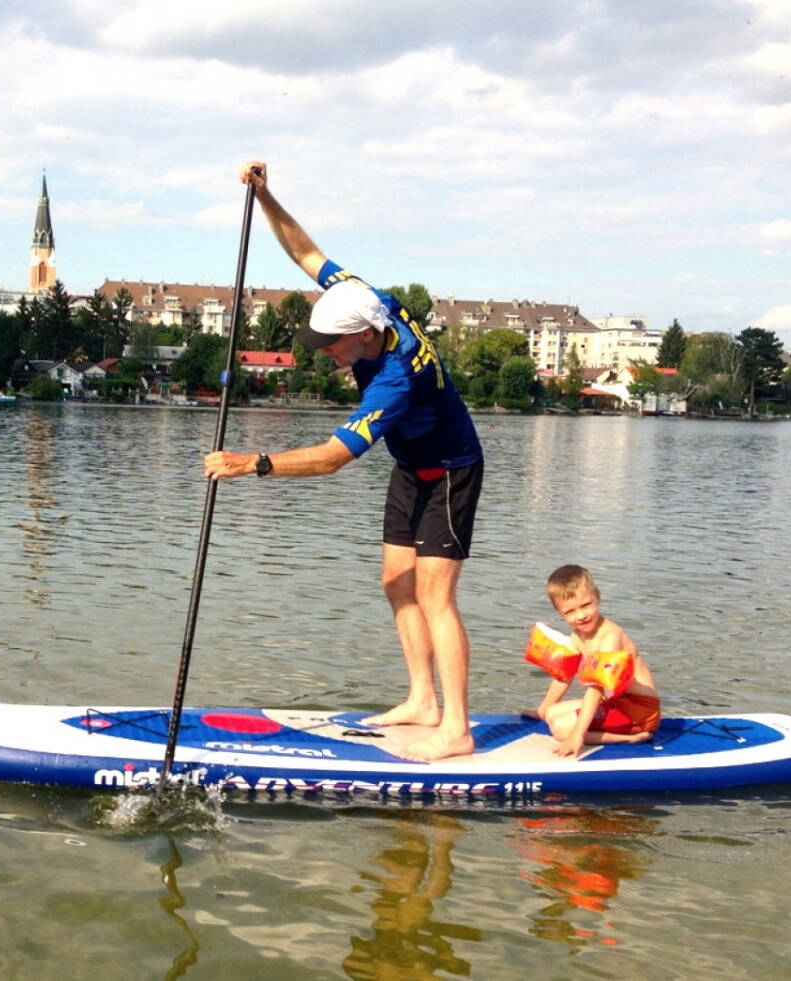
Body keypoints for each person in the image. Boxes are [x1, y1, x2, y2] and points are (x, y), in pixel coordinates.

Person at [202, 161, 484, 762]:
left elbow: (332, 458)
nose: (323, 353)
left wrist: (253, 464)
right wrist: (265, 194)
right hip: (412, 466)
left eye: (331, 346)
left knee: (436, 596)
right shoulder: (363, 299)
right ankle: (421, 702)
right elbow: (305, 251)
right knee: (394, 581)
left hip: (452, 470)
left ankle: (456, 728)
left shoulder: (394, 379)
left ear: (363, 338)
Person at [523, 565, 660, 758]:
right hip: (616, 703)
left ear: (598, 596)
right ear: (559, 612)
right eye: (570, 611)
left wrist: (577, 734)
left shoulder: (610, 637)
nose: (581, 616)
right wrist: (542, 709)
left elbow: (596, 688)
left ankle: (629, 738)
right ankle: (551, 712)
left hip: (640, 712)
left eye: (586, 605)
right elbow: (565, 674)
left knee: (560, 729)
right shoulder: (578, 637)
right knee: (551, 714)